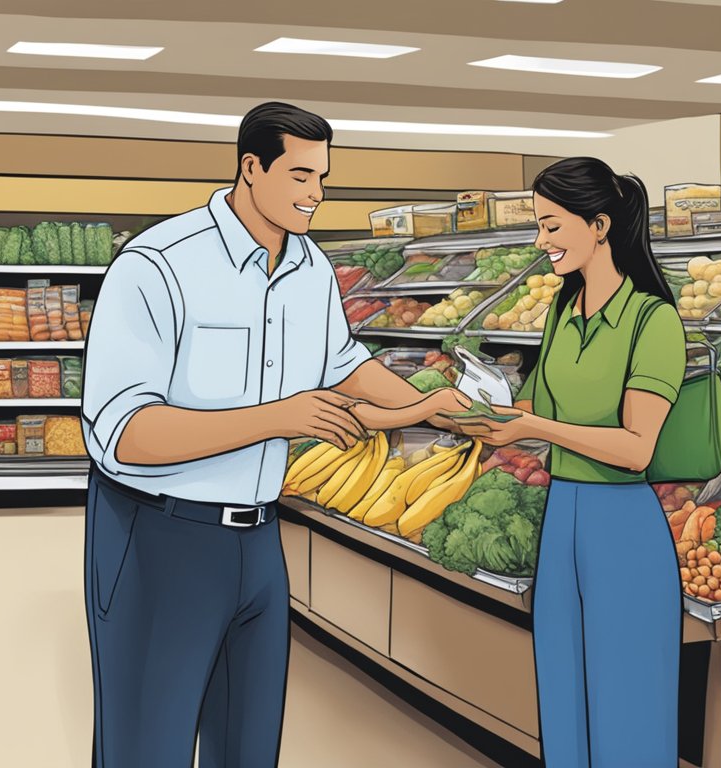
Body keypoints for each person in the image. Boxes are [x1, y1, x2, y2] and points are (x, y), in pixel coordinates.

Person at [80, 101, 469, 767]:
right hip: (158, 538)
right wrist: (279, 417)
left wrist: (435, 410)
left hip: (258, 543)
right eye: (300, 176)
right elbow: (125, 433)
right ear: (250, 168)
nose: (316, 195)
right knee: (148, 746)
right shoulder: (157, 264)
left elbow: (344, 366)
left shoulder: (311, 268)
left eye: (323, 178)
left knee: (249, 748)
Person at [455, 157, 685, 767]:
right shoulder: (563, 309)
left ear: (600, 226)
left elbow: (637, 448)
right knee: (564, 697)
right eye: (539, 226)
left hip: (624, 529)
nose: (541, 241)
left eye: (552, 226)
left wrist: (532, 426)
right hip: (564, 522)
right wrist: (483, 413)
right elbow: (538, 406)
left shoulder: (653, 321)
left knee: (627, 708)